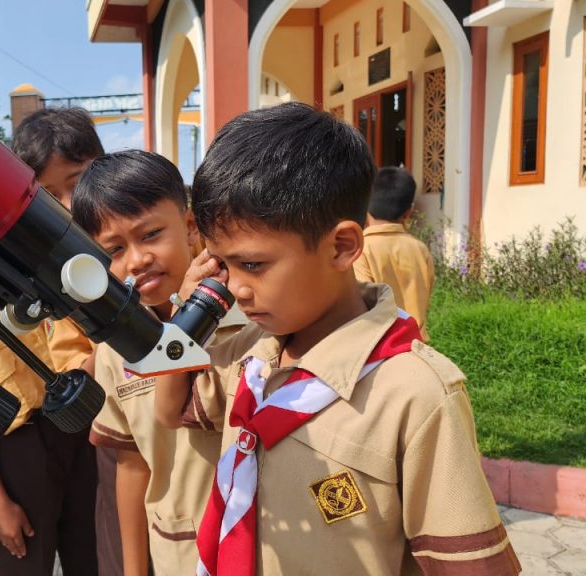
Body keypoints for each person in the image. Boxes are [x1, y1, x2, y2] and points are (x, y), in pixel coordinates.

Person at [154, 103, 520, 575]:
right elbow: (170, 412)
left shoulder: (416, 394)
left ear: (343, 246)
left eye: (253, 264)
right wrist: (187, 316)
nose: (237, 288)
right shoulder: (252, 352)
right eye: (223, 264)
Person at [72, 150, 245, 576]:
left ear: (190, 227)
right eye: (114, 250)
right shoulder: (115, 350)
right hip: (179, 553)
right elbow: (132, 466)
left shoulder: (252, 319)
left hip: (259, 544)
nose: (136, 260)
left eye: (150, 234)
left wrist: (191, 310)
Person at [14, 105, 123, 576]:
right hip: (117, 432)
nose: (67, 203)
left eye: (76, 182)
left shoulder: (143, 228)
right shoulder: (54, 267)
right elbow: (73, 363)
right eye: (48, 193)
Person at [0, 288, 98, 576]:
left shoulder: (42, 276)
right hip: (19, 450)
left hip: (83, 426)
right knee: (26, 564)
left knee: (92, 554)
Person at [354, 166, 435, 340]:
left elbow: (361, 305)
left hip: (380, 346)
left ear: (365, 206)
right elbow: (426, 298)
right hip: (416, 346)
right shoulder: (420, 249)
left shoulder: (361, 249)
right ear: (409, 212)